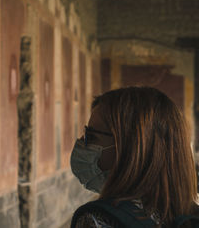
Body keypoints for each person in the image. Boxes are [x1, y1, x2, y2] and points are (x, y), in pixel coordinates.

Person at [70, 87, 199, 227]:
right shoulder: (190, 215)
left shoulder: (98, 219)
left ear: (129, 148)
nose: (82, 141)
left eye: (92, 135)